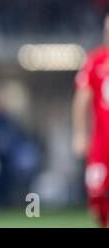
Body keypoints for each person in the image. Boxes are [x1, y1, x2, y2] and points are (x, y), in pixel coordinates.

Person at [72, 13, 109, 228]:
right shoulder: (95, 61)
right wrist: (80, 134)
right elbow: (81, 100)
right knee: (98, 197)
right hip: (101, 144)